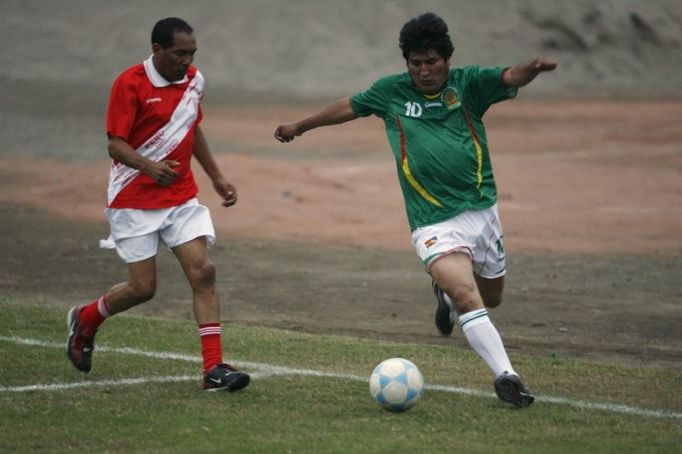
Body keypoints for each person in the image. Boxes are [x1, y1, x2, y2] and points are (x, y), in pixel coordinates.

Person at [274, 12, 557, 408]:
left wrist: (533, 69)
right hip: (431, 219)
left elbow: (510, 77)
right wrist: (301, 125)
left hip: (481, 211)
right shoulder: (391, 91)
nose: (424, 71)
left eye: (432, 62)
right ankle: (507, 376)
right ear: (407, 63)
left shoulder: (469, 84)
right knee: (466, 294)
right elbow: (349, 106)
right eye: (416, 63)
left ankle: (443, 290)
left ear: (447, 59)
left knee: (491, 298)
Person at [66, 17, 250, 392]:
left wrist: (215, 176)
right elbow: (115, 144)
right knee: (142, 288)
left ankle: (214, 369)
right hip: (133, 198)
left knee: (204, 272)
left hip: (180, 196)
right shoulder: (129, 83)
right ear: (157, 50)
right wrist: (150, 166)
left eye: (192, 53)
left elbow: (190, 128)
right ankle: (85, 319)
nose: (187, 61)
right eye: (179, 53)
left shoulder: (194, 82)